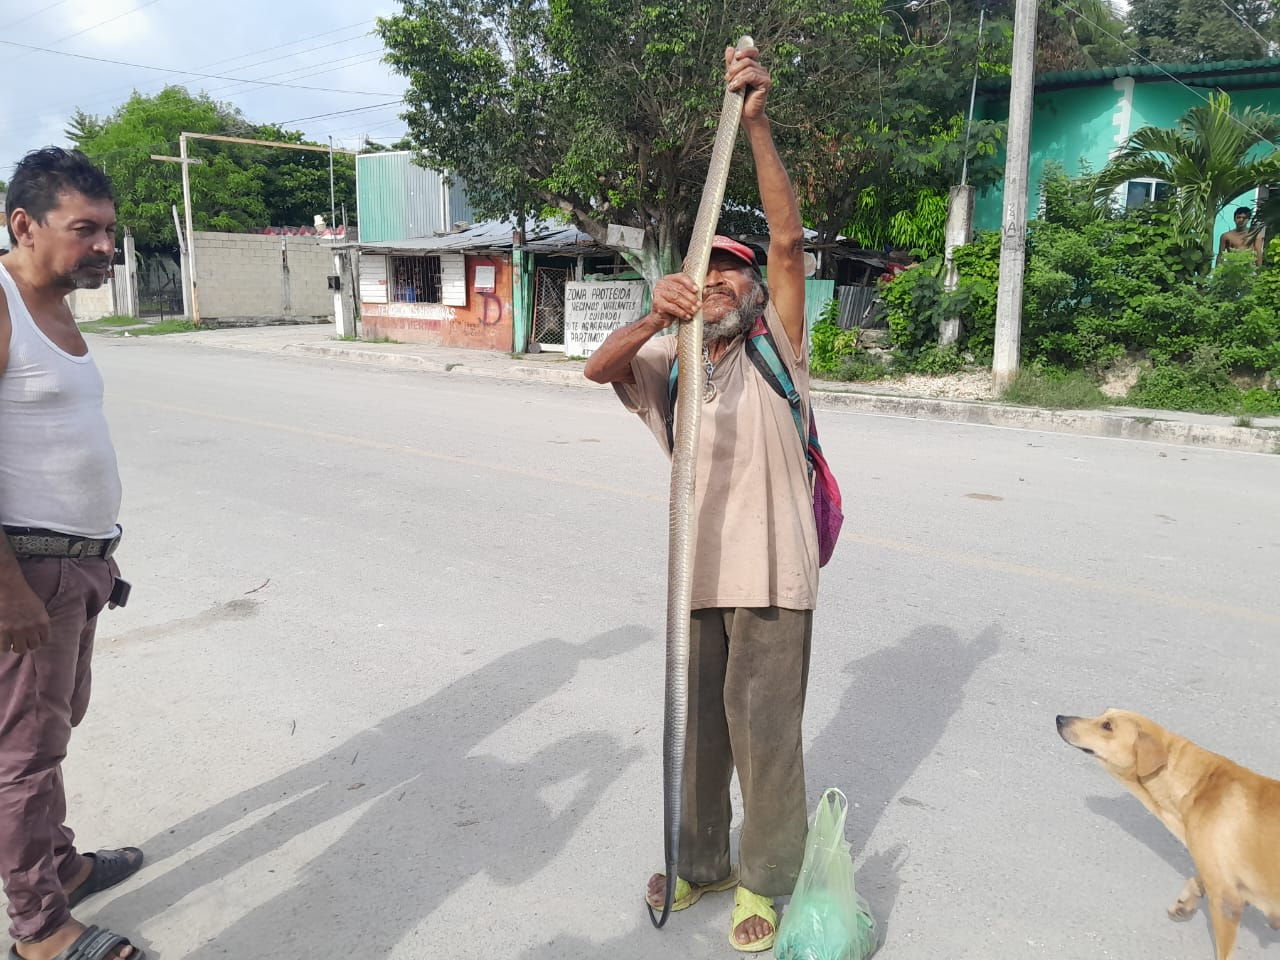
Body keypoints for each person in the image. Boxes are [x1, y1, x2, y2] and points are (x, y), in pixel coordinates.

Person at [584, 44, 816, 954]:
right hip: (696, 576)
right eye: (706, 272)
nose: (719, 282)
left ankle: (766, 881)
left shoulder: (779, 346)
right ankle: (702, 861)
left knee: (765, 739)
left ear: (757, 290)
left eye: (732, 273)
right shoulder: (671, 362)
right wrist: (654, 310)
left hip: (772, 576)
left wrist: (754, 121)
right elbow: (598, 368)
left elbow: (792, 242)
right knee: (697, 736)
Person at [0, 148, 144, 960]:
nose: (103, 247)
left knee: (51, 732)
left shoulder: (55, 305)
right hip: (25, 575)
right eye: (83, 229)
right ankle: (40, 931)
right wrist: (9, 592)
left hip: (77, 566)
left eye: (109, 231)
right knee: (21, 757)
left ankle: (62, 865)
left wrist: (101, 556)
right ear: (24, 225)